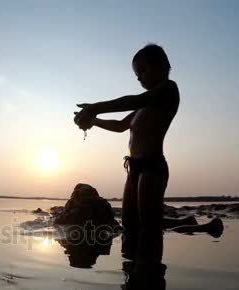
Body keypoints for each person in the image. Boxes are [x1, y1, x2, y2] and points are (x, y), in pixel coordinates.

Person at [73, 44, 179, 273]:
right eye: (136, 73)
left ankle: (150, 280)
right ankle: (131, 277)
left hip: (152, 166)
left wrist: (95, 108)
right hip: (134, 168)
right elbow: (120, 125)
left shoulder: (168, 90)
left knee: (150, 228)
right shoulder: (142, 107)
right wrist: (93, 122)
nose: (139, 76)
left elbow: (134, 100)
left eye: (142, 70)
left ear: (161, 66)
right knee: (131, 225)